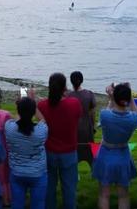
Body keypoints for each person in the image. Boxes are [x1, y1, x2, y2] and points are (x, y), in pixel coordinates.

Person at [38, 73, 82, 209]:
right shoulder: (74, 103)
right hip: (69, 152)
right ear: (65, 87)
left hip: (49, 152)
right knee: (69, 189)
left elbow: (42, 112)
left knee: (49, 188)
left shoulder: (42, 105)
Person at [92, 83, 137, 209]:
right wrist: (130, 96)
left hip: (105, 155)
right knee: (123, 195)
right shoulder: (133, 119)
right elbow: (136, 113)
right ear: (128, 99)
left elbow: (109, 109)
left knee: (104, 194)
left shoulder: (105, 115)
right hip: (123, 155)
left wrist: (111, 96)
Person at [5, 96, 48, 209]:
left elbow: (16, 121)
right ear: (33, 112)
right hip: (37, 173)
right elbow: (43, 120)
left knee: (17, 204)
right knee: (38, 204)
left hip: (16, 172)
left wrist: (20, 108)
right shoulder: (41, 131)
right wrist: (35, 107)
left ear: (18, 111)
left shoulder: (9, 129)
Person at [67, 71, 96, 167]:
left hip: (74, 129)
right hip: (87, 128)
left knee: (74, 152)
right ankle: (96, 173)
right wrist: (93, 126)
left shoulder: (69, 96)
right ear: (82, 81)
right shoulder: (89, 94)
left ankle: (74, 174)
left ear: (71, 81)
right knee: (90, 152)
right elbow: (92, 113)